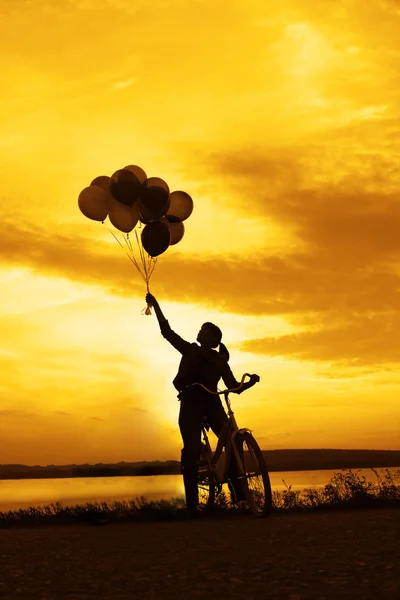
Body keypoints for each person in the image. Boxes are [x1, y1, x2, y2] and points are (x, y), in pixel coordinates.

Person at [145, 292, 260, 517]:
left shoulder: (219, 361)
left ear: (213, 340)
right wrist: (156, 306)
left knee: (233, 439)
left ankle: (240, 495)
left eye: (204, 330)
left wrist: (250, 384)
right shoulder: (190, 349)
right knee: (191, 450)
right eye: (201, 328)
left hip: (211, 402)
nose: (199, 331)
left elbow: (233, 386)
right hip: (190, 402)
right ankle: (192, 506)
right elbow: (167, 332)